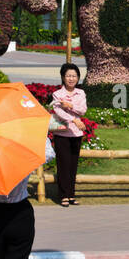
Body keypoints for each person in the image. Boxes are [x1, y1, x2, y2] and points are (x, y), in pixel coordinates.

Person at [51, 62, 88, 206]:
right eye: (68, 76)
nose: (71, 78)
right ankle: (63, 196)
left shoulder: (81, 93)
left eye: (74, 76)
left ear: (78, 78)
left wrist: (70, 105)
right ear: (63, 77)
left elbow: (82, 110)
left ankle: (71, 194)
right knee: (63, 164)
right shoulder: (57, 94)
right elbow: (58, 111)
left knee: (73, 165)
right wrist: (73, 118)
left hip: (76, 134)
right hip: (62, 133)